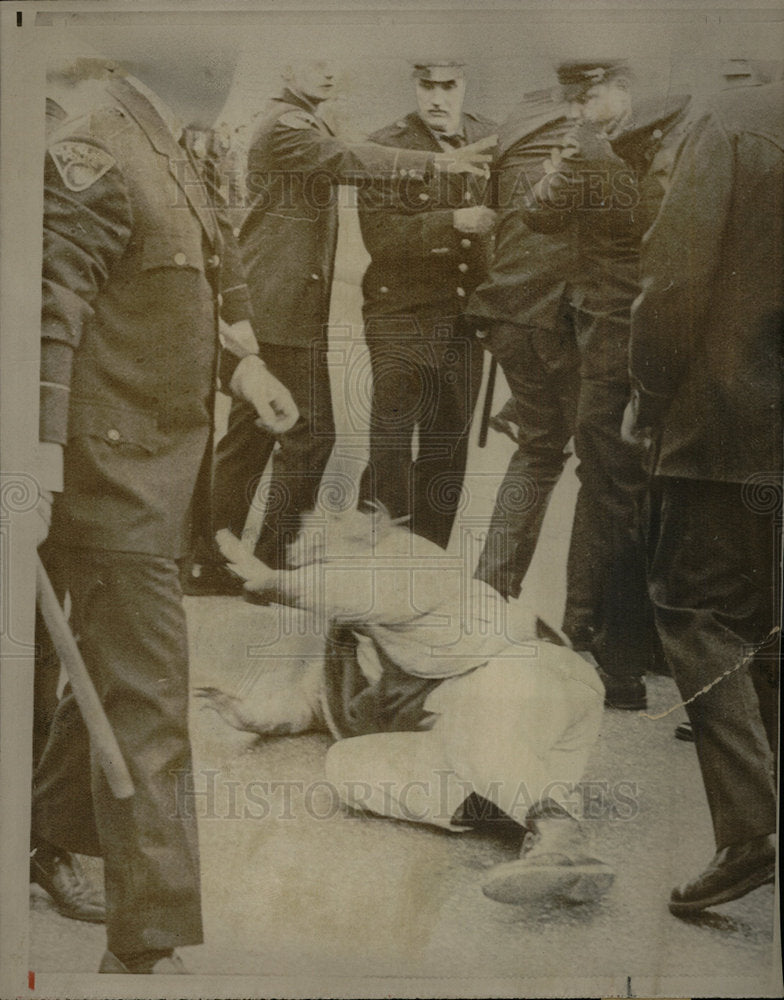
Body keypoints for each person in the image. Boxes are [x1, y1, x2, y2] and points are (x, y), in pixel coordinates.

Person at [32, 51, 299, 973]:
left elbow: (196, 275)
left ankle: (51, 834)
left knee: (110, 671)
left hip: (153, 473)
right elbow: (45, 314)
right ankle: (145, 949)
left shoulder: (166, 141)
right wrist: (30, 465)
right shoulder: (97, 147)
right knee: (146, 701)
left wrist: (246, 366)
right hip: (102, 479)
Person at [205, 510, 614, 907]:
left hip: (539, 683)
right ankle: (528, 813)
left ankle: (561, 835)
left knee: (476, 721)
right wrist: (255, 716)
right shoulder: (355, 638)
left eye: (328, 551)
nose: (320, 560)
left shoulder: (417, 567)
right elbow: (316, 702)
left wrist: (281, 584)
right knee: (346, 763)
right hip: (515, 760)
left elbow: (367, 592)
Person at [203, 59, 496, 586]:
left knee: (251, 434)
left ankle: (210, 556)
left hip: (281, 299)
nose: (328, 71)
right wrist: (438, 167)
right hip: (279, 301)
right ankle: (265, 562)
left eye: (332, 61)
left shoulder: (312, 119)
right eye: (311, 62)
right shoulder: (289, 126)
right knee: (309, 431)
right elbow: (348, 159)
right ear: (285, 69)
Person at [623, 80, 782, 916]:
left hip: (725, 429)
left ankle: (751, 831)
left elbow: (675, 282)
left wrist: (648, 401)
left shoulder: (732, 122)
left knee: (696, 614)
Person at [522, 61, 688, 709]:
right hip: (639, 339)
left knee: (610, 483)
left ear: (621, 91)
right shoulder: (661, 139)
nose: (577, 110)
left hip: (615, 344)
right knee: (626, 484)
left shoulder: (597, 153)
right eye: (573, 99)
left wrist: (569, 159)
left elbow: (539, 213)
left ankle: (612, 658)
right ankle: (608, 635)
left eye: (587, 97)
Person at [356, 60, 497, 549]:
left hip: (464, 320)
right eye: (427, 86)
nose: (437, 98)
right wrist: (453, 221)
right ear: (414, 85)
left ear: (465, 85)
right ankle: (367, 572)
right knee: (390, 450)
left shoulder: (491, 139)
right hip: (401, 315)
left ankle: (426, 567)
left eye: (449, 86)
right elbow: (381, 236)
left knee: (447, 450)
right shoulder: (385, 146)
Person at [467, 86, 580, 600]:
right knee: (611, 471)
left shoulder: (521, 115)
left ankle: (489, 591)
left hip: (505, 306)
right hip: (559, 315)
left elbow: (492, 217)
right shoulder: (597, 136)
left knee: (538, 449)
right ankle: (595, 627)